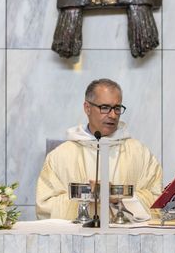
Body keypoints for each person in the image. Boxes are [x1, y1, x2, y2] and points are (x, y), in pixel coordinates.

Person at [36, 78, 162, 220]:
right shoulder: (60, 155)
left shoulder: (139, 153)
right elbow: (44, 207)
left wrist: (117, 197)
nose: (113, 115)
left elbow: (157, 201)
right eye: (105, 108)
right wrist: (87, 195)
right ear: (87, 108)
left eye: (117, 108)